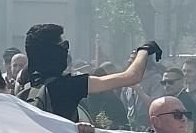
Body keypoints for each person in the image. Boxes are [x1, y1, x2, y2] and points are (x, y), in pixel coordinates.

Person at [16, 23, 155, 124]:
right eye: (62, 46)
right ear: (53, 53)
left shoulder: (25, 91)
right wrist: (144, 50)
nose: (66, 50)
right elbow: (131, 77)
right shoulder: (69, 86)